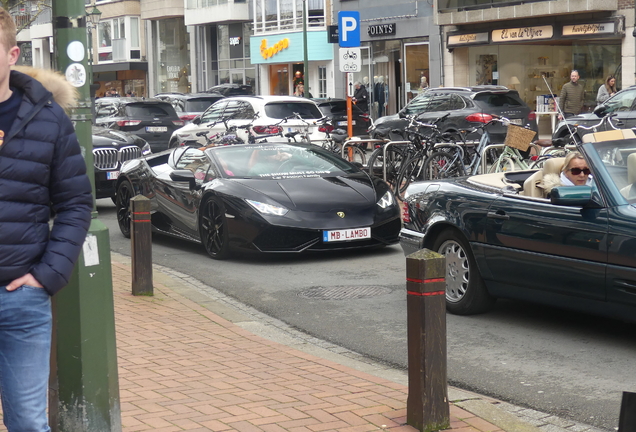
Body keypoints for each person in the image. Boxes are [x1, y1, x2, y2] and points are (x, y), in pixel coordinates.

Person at [0, 8, 93, 431]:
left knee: (28, 424)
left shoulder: (47, 118)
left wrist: (47, 275)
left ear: (11, 54)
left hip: (22, 300)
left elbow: (75, 202)